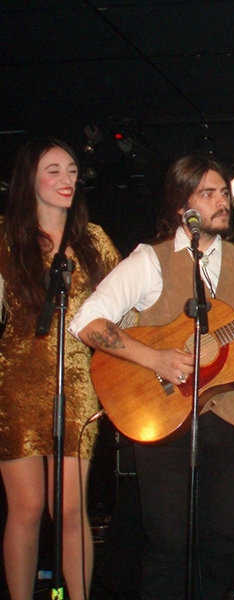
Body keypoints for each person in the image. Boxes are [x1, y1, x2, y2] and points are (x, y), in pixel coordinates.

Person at [69, 154, 234, 600]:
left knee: (225, 540)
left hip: (227, 419)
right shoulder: (150, 260)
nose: (223, 201)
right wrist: (156, 359)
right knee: (169, 543)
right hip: (161, 416)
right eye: (209, 193)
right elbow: (86, 320)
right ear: (184, 208)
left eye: (224, 192)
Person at [0, 138, 121, 600]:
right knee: (27, 509)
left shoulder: (93, 241)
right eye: (54, 170)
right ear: (29, 179)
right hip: (16, 377)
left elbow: (124, 310)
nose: (67, 179)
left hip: (77, 380)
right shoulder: (7, 238)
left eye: (72, 170)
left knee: (70, 510)